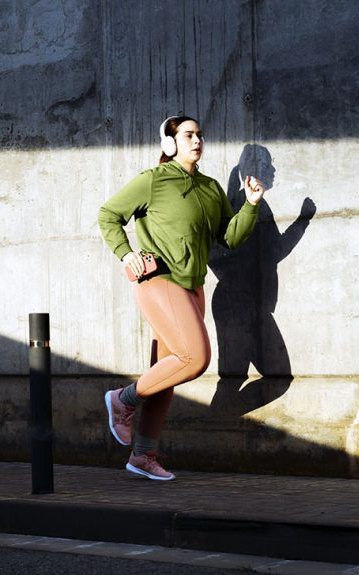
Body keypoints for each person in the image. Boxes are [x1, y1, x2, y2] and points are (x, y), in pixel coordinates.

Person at [97, 115, 267, 480]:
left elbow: (230, 238)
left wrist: (251, 205)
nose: (197, 141)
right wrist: (127, 254)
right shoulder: (153, 181)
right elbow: (109, 215)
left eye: (200, 135)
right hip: (160, 280)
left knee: (168, 374)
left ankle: (142, 456)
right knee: (195, 358)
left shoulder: (210, 188)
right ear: (170, 143)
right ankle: (122, 399)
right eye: (188, 135)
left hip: (194, 287)